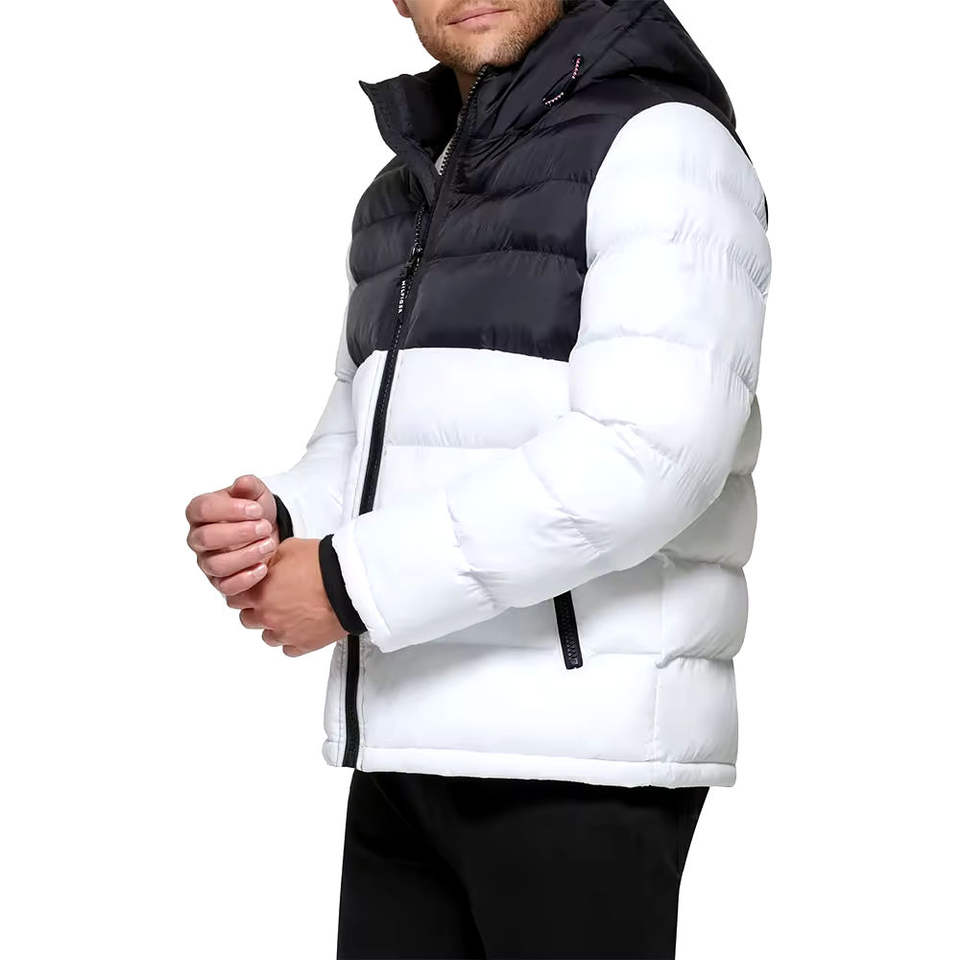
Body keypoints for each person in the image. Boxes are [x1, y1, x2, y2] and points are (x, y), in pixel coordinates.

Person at [185, 1, 771, 956]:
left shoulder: (661, 144)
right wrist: (276, 518)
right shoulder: (406, 184)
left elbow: (649, 456)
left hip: (581, 758)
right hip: (405, 737)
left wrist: (345, 583)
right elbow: (369, 442)